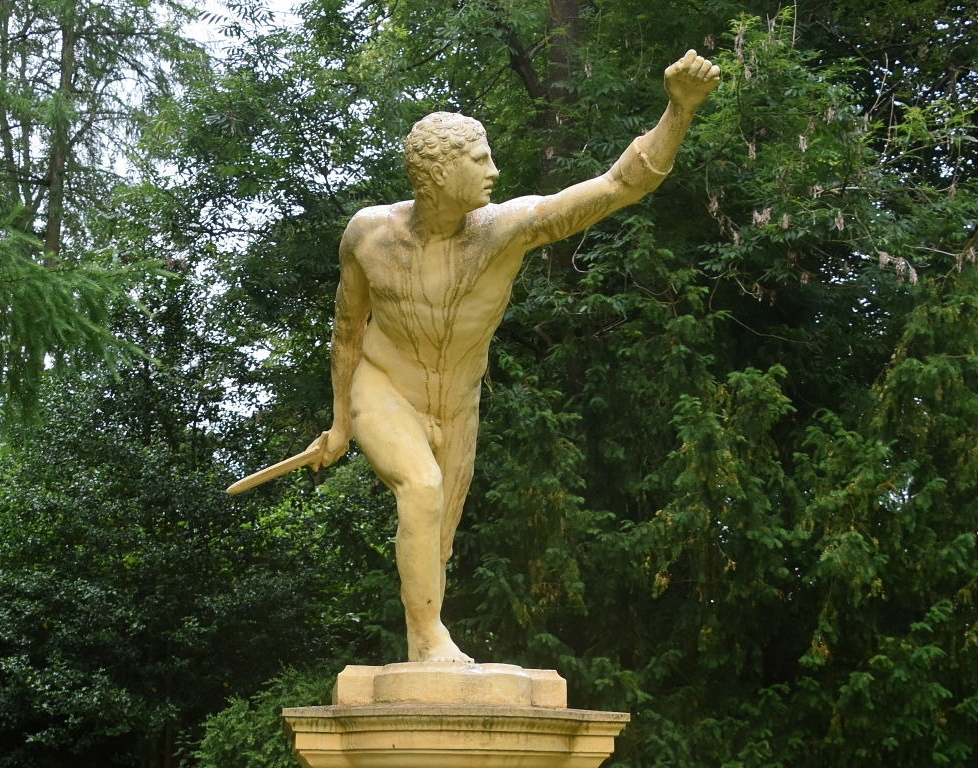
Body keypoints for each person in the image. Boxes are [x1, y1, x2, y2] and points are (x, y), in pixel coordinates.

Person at [228, 50, 720, 662]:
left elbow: (621, 184)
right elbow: (348, 330)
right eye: (478, 160)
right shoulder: (368, 236)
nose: (493, 170)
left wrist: (679, 109)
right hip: (384, 386)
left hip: (458, 405)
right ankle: (432, 641)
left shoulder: (508, 228)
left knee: (436, 542)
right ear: (438, 175)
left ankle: (422, 645)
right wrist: (339, 422)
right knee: (422, 487)